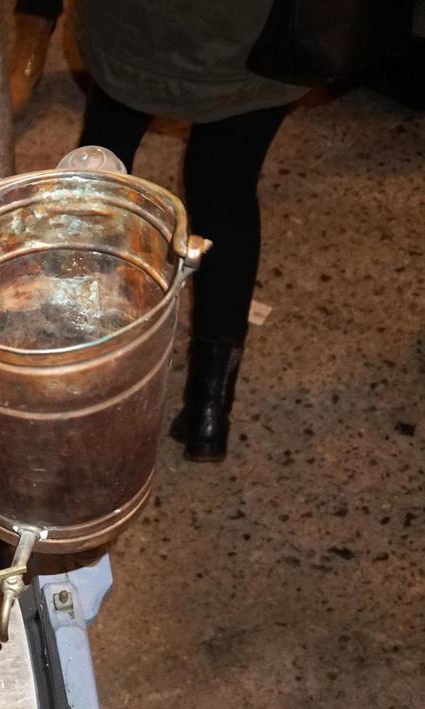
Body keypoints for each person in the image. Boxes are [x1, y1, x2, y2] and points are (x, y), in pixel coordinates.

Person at [75, 2, 307, 461]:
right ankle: (208, 411)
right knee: (225, 188)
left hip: (140, 30)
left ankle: (83, 376)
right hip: (257, 37)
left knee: (103, 169)